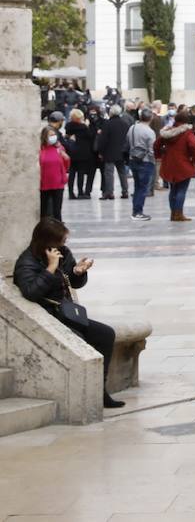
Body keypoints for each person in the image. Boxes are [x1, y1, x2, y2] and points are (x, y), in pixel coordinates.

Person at [16, 220, 126, 408]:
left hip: (67, 313)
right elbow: (31, 292)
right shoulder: (27, 262)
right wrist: (50, 268)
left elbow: (72, 282)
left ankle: (100, 390)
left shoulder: (62, 253)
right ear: (47, 242)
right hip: (49, 316)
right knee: (78, 338)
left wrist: (78, 272)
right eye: (61, 241)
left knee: (106, 334)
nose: (64, 245)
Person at [154, 111, 195, 223]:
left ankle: (173, 213)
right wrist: (194, 159)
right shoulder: (187, 133)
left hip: (169, 165)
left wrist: (159, 155)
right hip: (183, 165)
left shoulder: (167, 132)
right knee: (181, 190)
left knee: (173, 190)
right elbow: (194, 146)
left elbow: (156, 144)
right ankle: (178, 214)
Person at [95, 104, 131, 200]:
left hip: (109, 152)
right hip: (122, 152)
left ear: (111, 113)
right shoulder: (125, 124)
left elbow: (103, 139)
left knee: (109, 173)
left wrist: (100, 151)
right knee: (122, 172)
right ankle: (125, 191)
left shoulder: (107, 124)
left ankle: (109, 193)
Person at [39, 126, 70, 221]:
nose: (53, 137)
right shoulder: (41, 150)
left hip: (58, 183)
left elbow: (66, 165)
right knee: (44, 211)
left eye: (54, 135)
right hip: (44, 184)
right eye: (50, 135)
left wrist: (66, 158)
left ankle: (58, 230)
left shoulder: (59, 149)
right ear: (45, 137)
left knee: (57, 211)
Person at [64, 108, 96, 199]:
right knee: (80, 173)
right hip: (82, 153)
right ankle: (80, 192)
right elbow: (90, 136)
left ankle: (71, 193)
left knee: (72, 173)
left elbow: (67, 136)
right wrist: (87, 125)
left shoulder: (68, 126)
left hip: (71, 152)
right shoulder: (84, 127)